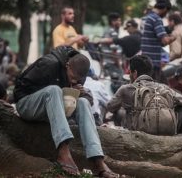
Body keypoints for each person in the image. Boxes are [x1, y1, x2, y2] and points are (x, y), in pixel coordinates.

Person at [13, 46, 118, 177]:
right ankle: (63, 152)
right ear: (67, 65)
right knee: (54, 90)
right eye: (72, 77)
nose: (74, 81)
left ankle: (97, 159)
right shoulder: (50, 64)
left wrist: (79, 93)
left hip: (51, 111)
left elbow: (86, 100)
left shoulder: (79, 72)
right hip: (27, 105)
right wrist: (60, 89)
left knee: (82, 102)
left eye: (78, 80)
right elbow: (19, 90)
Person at [106, 55, 182, 133]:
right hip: (165, 129)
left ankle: (126, 133)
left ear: (134, 73)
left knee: (117, 112)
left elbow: (110, 106)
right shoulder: (164, 87)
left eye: (130, 73)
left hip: (137, 130)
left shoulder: (126, 89)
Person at [140, 0, 176, 83]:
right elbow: (165, 40)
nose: (166, 14)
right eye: (167, 11)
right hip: (153, 62)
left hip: (146, 60)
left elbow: (157, 41)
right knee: (155, 91)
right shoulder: (156, 19)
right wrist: (174, 37)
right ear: (165, 8)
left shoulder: (147, 18)